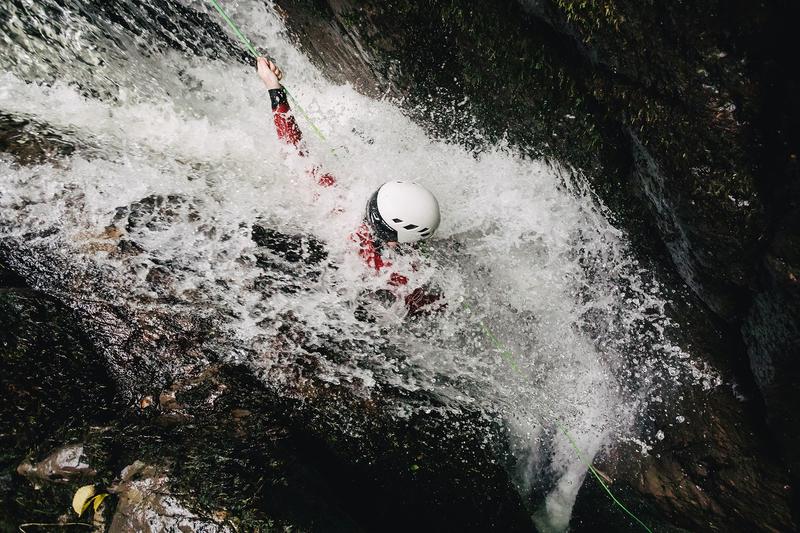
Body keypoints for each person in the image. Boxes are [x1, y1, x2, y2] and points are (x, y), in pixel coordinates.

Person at [256, 57, 442, 314]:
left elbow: (295, 149)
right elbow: (422, 303)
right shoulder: (384, 268)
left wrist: (274, 87)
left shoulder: (336, 201)